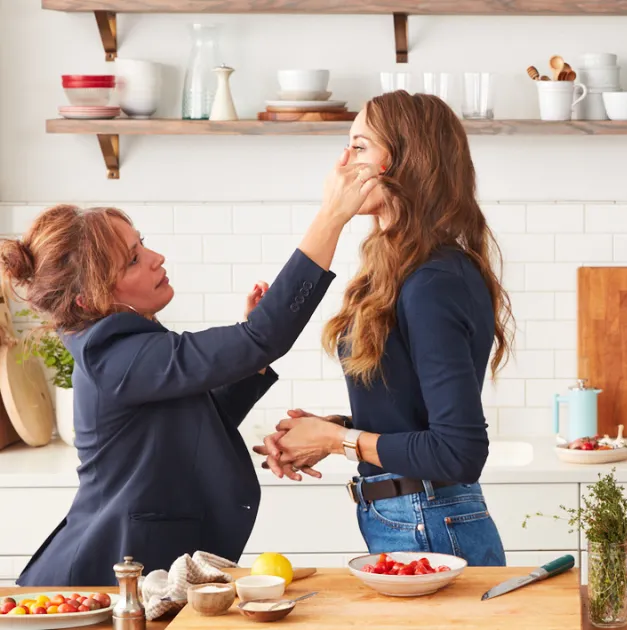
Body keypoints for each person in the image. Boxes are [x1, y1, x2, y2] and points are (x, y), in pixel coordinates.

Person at [2, 159, 380, 586]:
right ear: (89, 301)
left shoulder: (122, 343)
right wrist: (332, 215)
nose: (155, 258)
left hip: (135, 573)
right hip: (104, 581)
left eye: (141, 244)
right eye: (132, 260)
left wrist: (250, 358)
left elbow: (185, 422)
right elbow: (264, 335)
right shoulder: (115, 352)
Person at [256, 90, 514, 567]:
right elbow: (413, 421)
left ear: (404, 162)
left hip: (430, 520)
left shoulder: (433, 281)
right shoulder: (404, 269)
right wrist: (328, 432)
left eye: (359, 147)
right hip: (415, 516)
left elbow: (458, 452)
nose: (342, 163)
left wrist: (337, 442)